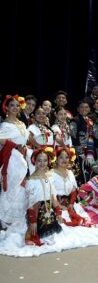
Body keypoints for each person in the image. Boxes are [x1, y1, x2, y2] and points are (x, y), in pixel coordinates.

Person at [0, 95, 29, 228]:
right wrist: (15, 146)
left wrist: (23, 149)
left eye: (18, 105)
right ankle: (5, 220)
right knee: (11, 188)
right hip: (11, 159)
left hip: (21, 158)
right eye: (12, 105)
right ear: (6, 107)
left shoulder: (22, 123)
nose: (15, 108)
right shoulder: (5, 124)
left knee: (21, 188)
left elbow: (24, 140)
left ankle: (17, 218)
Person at [49, 147, 86, 226]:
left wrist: (71, 204)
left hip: (70, 205)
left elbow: (73, 190)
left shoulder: (70, 173)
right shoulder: (51, 173)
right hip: (56, 205)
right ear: (56, 159)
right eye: (61, 157)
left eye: (66, 157)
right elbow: (51, 194)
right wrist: (60, 206)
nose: (64, 160)